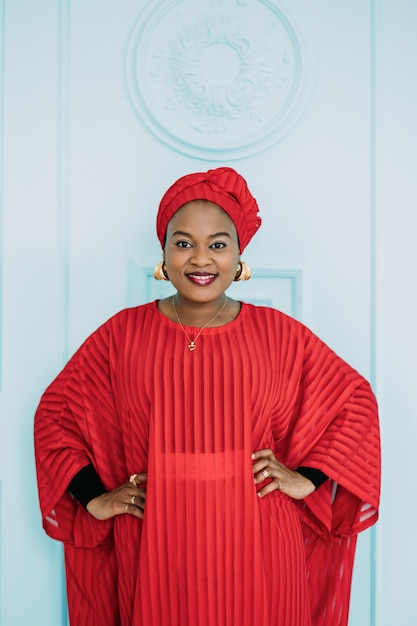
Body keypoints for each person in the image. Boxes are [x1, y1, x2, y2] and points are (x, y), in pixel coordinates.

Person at [34, 167, 380, 626]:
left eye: (218, 244)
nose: (201, 259)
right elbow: (56, 416)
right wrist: (95, 497)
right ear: (163, 252)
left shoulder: (278, 334)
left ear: (239, 256)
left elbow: (352, 401)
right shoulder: (122, 335)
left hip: (260, 548)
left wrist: (308, 478)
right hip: (155, 545)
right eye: (183, 243)